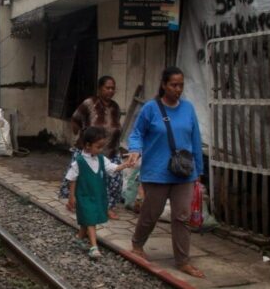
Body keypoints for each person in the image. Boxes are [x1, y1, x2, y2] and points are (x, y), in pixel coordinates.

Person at [124, 66, 205, 278]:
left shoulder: (188, 109)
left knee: (182, 216)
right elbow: (137, 133)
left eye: (181, 85)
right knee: (151, 213)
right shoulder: (151, 108)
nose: (178, 89)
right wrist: (134, 150)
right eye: (173, 85)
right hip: (156, 171)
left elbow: (195, 139)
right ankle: (137, 244)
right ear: (164, 85)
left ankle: (182, 260)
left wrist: (199, 170)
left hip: (184, 172)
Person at [61, 76, 124, 219]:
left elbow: (116, 125)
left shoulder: (115, 107)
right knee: (83, 180)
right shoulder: (89, 104)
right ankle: (75, 202)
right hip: (90, 151)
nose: (110, 91)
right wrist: (80, 135)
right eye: (107, 88)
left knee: (114, 181)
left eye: (113, 88)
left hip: (111, 150)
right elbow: (76, 119)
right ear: (99, 89)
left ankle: (109, 207)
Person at [65, 127, 133, 259]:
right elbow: (71, 179)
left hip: (97, 195)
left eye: (102, 146)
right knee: (91, 219)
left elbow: (113, 168)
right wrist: (71, 196)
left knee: (88, 218)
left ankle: (79, 237)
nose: (101, 149)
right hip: (84, 196)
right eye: (98, 146)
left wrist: (125, 165)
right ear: (87, 145)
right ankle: (93, 247)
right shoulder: (78, 162)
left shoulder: (101, 159)